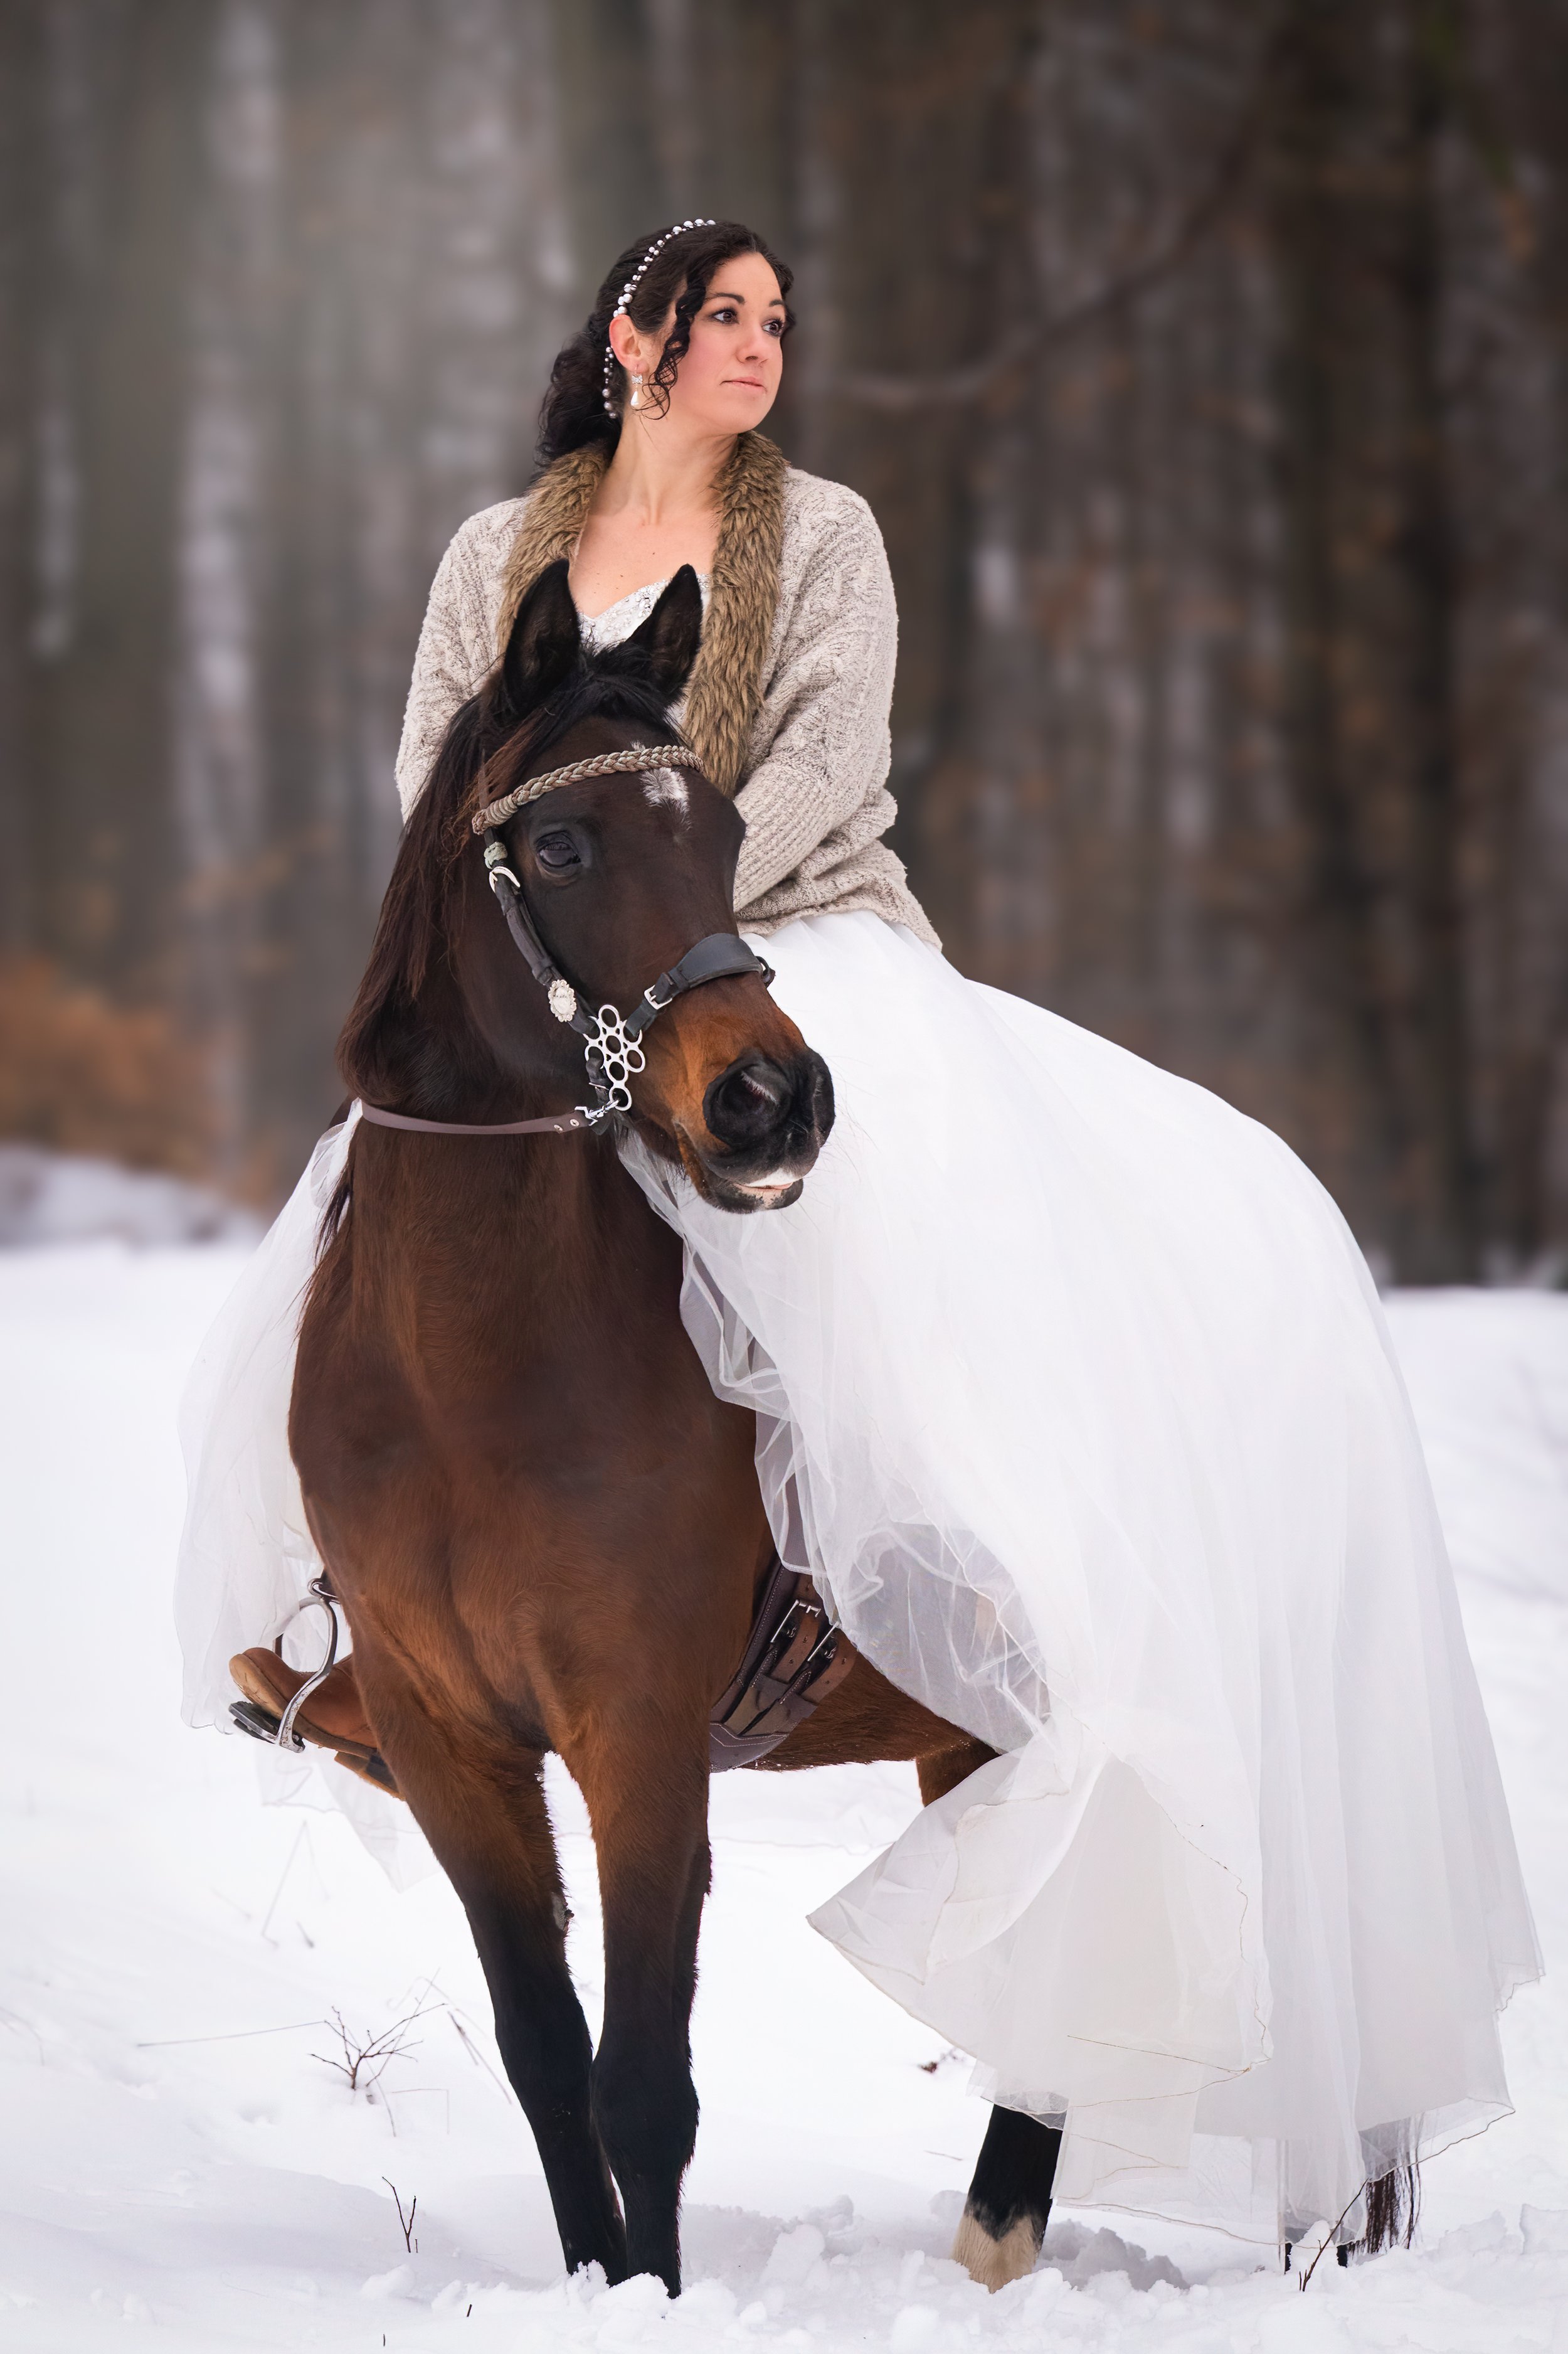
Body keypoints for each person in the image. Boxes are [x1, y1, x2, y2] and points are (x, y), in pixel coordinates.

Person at [177, 218, 1539, 2254]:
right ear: (633, 339)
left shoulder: (823, 537)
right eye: (722, 316)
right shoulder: (495, 554)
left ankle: (972, 1576)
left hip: (778, 938)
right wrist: (563, 938)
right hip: (555, 952)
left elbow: (823, 759)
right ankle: (344, 1639)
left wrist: (669, 892)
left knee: (850, 1230)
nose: (758, 346)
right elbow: (436, 765)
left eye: (777, 320)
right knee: (371, 1230)